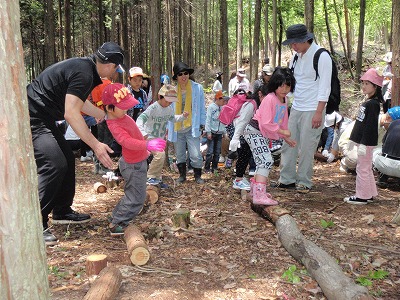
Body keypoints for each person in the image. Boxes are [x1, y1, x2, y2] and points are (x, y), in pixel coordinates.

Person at [28, 41, 125, 245]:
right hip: (32, 115)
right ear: (109, 64)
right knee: (54, 163)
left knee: (66, 159)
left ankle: (62, 211)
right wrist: (96, 145)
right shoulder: (85, 73)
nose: (116, 72)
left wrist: (104, 115)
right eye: (116, 68)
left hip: (43, 115)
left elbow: (79, 102)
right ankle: (34, 223)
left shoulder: (85, 68)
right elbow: (71, 112)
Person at [274, 24, 332, 193]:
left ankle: (304, 181)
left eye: (295, 43)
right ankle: (287, 179)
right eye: (291, 43)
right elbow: (292, 83)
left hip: (313, 108)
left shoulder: (321, 56)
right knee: (289, 142)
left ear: (306, 39)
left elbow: (325, 86)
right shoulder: (296, 57)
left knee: (307, 146)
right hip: (297, 106)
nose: (293, 46)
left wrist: (319, 112)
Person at [102, 83, 166, 235]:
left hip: (138, 160)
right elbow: (126, 141)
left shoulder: (122, 116)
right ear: (109, 108)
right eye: (122, 106)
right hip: (132, 165)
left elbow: (135, 134)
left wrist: (146, 149)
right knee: (137, 198)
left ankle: (115, 217)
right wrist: (147, 144)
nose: (126, 109)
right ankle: (117, 223)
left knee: (134, 194)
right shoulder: (114, 124)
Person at [244, 68, 296, 205]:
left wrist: (286, 138)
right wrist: (284, 133)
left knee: (262, 160)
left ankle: (255, 192)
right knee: (266, 160)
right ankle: (259, 195)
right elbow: (266, 123)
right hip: (254, 131)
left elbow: (283, 121)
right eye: (281, 85)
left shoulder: (284, 100)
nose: (284, 89)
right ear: (275, 84)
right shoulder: (270, 99)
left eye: (288, 85)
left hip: (262, 133)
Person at [344, 68, 383, 205]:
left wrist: (364, 143)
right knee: (365, 167)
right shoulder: (368, 102)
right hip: (362, 141)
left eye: (368, 83)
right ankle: (370, 194)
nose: (364, 86)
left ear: (375, 86)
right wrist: (353, 140)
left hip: (366, 142)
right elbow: (360, 124)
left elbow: (370, 126)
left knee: (362, 168)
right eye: (363, 83)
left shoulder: (373, 104)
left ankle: (362, 196)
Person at [136, 84, 188, 185]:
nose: (168, 103)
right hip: (150, 137)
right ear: (160, 97)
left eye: (170, 101)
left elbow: (173, 119)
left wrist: (182, 117)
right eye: (167, 100)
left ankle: (157, 178)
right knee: (160, 155)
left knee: (161, 158)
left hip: (160, 139)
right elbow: (140, 119)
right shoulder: (153, 108)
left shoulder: (169, 109)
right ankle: (150, 177)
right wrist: (142, 132)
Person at [167, 62, 206, 184]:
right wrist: (167, 127)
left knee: (195, 154)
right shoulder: (171, 91)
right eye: (180, 74)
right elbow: (168, 111)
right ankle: (182, 176)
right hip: (177, 127)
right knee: (179, 154)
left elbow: (201, 107)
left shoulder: (197, 88)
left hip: (192, 126)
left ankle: (197, 176)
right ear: (176, 77)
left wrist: (202, 124)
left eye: (186, 73)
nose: (183, 76)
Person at [229, 89, 257, 190]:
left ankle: (239, 178)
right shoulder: (251, 105)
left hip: (239, 130)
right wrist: (235, 137)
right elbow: (243, 120)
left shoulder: (250, 103)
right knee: (243, 156)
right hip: (240, 131)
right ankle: (238, 180)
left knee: (244, 155)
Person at [373, 107, 400, 187]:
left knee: (377, 150)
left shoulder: (394, 124)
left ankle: (382, 177)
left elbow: (384, 144)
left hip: (383, 165)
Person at [204, 90, 227, 173]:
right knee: (210, 151)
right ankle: (207, 168)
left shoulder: (223, 108)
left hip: (219, 133)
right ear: (217, 99)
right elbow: (208, 120)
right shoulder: (211, 107)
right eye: (222, 100)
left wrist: (224, 132)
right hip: (212, 132)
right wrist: (208, 132)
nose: (223, 102)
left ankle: (214, 167)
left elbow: (224, 120)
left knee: (217, 152)